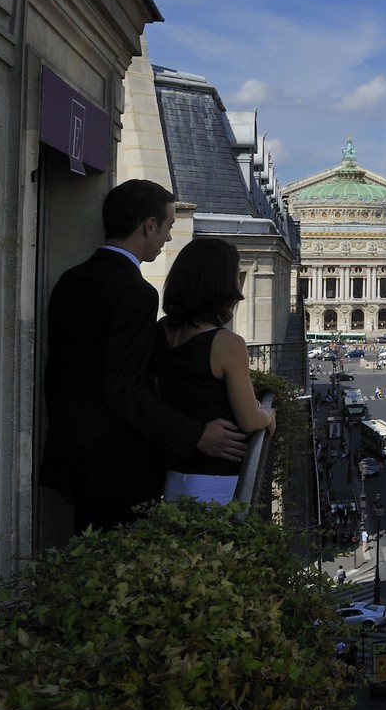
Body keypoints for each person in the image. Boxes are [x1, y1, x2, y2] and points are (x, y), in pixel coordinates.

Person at [41, 181, 248, 531]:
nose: (168, 237)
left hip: (73, 455)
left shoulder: (70, 279)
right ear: (148, 225)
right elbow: (123, 388)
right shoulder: (135, 292)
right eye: (167, 226)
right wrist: (195, 433)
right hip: (118, 464)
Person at [151, 237, 277, 506]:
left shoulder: (161, 331)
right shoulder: (227, 344)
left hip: (175, 474)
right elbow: (249, 420)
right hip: (219, 480)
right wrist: (269, 413)